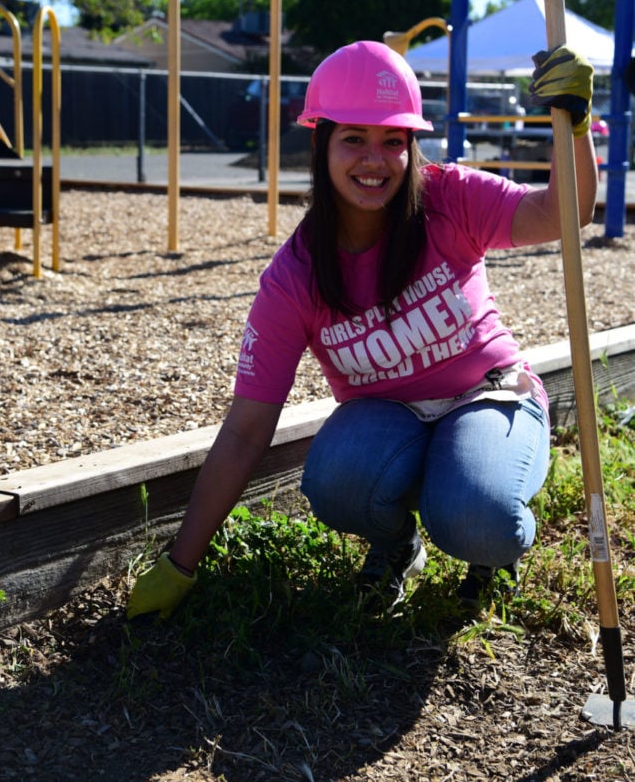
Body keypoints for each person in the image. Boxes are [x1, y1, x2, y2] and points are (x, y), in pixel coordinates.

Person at [127, 40, 597, 619]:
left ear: (411, 146)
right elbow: (248, 430)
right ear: (320, 142)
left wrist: (573, 127)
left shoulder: (451, 197)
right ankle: (399, 545)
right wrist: (181, 565)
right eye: (354, 139)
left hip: (489, 395)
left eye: (393, 141)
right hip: (387, 416)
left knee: (478, 515)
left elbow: (561, 213)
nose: (375, 160)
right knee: (334, 480)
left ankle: (492, 546)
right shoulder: (294, 276)